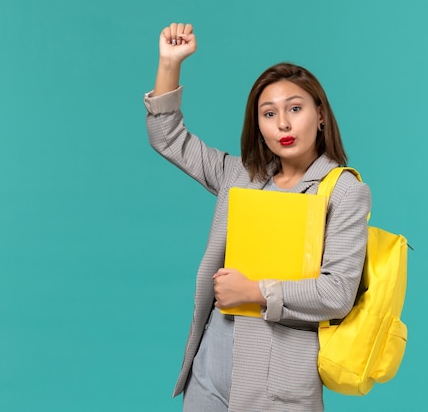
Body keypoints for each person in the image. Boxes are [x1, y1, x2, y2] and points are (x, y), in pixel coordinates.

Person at [144, 22, 371, 412]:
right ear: (259, 125)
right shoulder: (240, 176)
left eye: (295, 109)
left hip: (279, 380)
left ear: (320, 116)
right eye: (269, 113)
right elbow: (168, 138)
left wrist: (255, 292)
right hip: (210, 369)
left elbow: (337, 294)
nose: (282, 123)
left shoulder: (344, 191)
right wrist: (170, 63)